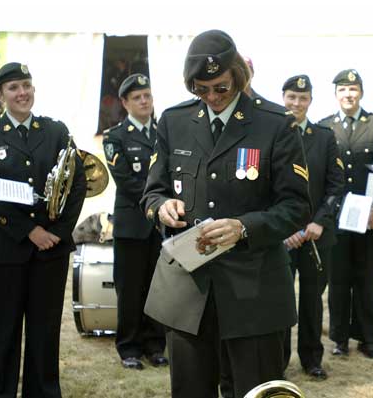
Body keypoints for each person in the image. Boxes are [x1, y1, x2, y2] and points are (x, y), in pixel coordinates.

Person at [140, 29, 311, 398]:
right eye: (202, 90)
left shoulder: (275, 124)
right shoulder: (174, 121)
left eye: (221, 87)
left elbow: (296, 206)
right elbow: (152, 191)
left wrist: (244, 227)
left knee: (253, 391)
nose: (213, 98)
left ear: (237, 74)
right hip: (189, 291)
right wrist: (161, 207)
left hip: (254, 291)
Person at [0, 62, 87, 398]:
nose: (22, 93)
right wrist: (29, 231)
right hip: (4, 248)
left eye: (26, 85)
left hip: (50, 250)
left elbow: (77, 183)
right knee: (3, 333)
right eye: (13, 88)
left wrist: (60, 232)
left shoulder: (56, 130)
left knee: (44, 333)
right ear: (1, 94)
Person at [318, 69, 373, 360]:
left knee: (365, 280)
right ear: (336, 94)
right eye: (342, 90)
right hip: (337, 218)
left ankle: (367, 338)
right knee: (339, 281)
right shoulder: (325, 127)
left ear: (361, 92)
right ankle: (339, 338)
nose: (348, 95)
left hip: (370, 217)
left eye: (353, 89)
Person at [281, 74, 345, 380]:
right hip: (281, 236)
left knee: (311, 301)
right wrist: (284, 230)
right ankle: (278, 360)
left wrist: (319, 221)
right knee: (280, 300)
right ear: (283, 98)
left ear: (310, 101)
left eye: (302, 98)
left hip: (316, 236)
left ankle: (311, 359)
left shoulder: (324, 136)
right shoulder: (273, 133)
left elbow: (336, 184)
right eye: (291, 97)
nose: (297, 103)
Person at [102, 73, 167, 370]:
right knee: (129, 289)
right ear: (125, 103)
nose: (144, 101)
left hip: (163, 226)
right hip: (132, 225)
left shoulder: (164, 132)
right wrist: (160, 200)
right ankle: (128, 347)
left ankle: (155, 345)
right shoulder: (116, 137)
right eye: (137, 97)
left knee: (158, 287)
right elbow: (126, 181)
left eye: (148, 96)